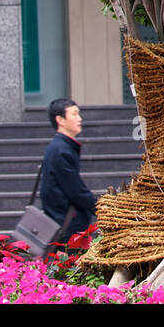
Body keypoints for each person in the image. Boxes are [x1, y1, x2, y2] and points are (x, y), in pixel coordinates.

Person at [41, 98, 98, 246]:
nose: (80, 119)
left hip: (64, 222)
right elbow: (76, 190)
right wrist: (100, 208)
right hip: (67, 226)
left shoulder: (60, 147)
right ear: (60, 119)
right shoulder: (61, 149)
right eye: (74, 114)